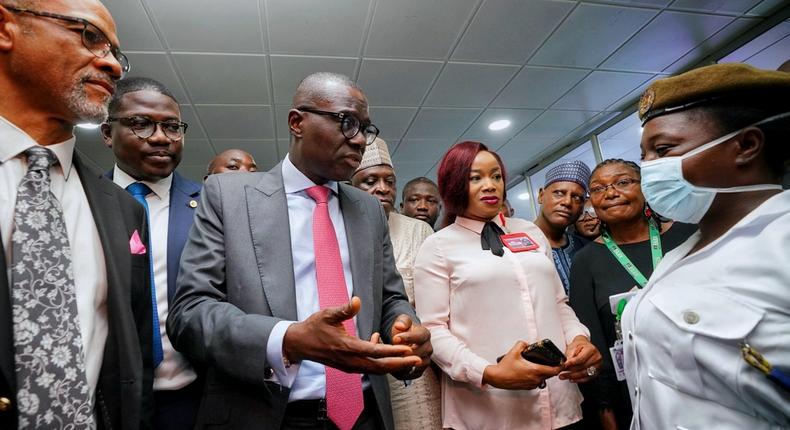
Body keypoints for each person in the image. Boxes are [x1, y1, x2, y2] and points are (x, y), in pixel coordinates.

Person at [167, 72, 432, 430]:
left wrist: (405, 328)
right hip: (266, 415)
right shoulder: (227, 197)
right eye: (348, 123)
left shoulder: (368, 210)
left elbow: (389, 298)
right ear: (297, 122)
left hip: (366, 415)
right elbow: (190, 314)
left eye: (366, 129)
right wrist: (289, 338)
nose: (360, 141)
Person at [0, 1, 153, 428]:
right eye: (89, 35)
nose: (113, 66)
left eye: (115, 52)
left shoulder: (122, 209)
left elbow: (130, 362)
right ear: (5, 27)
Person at [624, 63, 790, 428]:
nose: (648, 169)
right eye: (644, 156)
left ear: (745, 146)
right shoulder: (678, 255)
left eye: (663, 150)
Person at [414, 141, 602, 430]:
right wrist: (488, 372)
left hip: (560, 401)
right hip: (490, 409)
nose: (490, 185)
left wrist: (579, 339)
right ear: (454, 184)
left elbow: (558, 304)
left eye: (496, 176)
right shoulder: (437, 247)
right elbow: (433, 330)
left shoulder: (530, 232)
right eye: (475, 177)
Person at [101, 77, 202, 429]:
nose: (160, 137)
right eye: (141, 124)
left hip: (195, 399)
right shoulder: (85, 202)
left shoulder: (209, 207)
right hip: (107, 402)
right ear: (107, 133)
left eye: (172, 126)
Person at [568, 159, 696, 430]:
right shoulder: (586, 261)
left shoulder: (690, 236)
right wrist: (606, 412)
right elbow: (595, 344)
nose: (611, 193)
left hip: (704, 377)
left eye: (623, 182)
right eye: (599, 189)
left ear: (645, 188)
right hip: (635, 396)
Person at [350, 137, 441, 430]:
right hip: (357, 366)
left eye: (389, 181)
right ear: (351, 186)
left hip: (411, 361)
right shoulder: (341, 229)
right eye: (370, 181)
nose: (383, 188)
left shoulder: (419, 231)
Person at [534, 160, 592, 295]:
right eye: (559, 193)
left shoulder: (586, 248)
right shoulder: (514, 245)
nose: (567, 202)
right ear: (541, 195)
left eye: (577, 197)